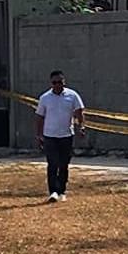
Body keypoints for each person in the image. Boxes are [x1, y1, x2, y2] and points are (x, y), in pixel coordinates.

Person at [37, 70, 85, 202]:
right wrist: (39, 135)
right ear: (51, 83)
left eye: (60, 82)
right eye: (54, 82)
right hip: (50, 136)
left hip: (66, 135)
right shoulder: (45, 98)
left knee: (63, 164)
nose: (57, 85)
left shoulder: (72, 96)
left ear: (64, 82)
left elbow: (79, 112)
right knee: (52, 164)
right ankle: (53, 192)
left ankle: (62, 190)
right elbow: (40, 117)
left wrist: (81, 126)